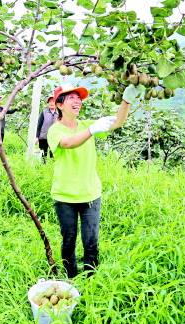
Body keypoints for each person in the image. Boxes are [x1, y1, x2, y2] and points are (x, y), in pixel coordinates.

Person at [47, 83, 140, 278]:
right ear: (60, 105)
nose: (77, 101)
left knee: (91, 241)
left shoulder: (86, 125)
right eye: (71, 97)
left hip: (90, 193)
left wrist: (126, 100)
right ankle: (70, 278)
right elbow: (68, 143)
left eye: (79, 98)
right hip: (65, 195)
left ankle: (91, 280)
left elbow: (117, 123)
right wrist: (92, 130)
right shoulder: (55, 130)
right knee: (69, 240)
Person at [36, 95, 58, 160]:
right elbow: (39, 125)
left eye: (53, 101)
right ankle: (43, 168)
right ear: (48, 103)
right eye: (50, 102)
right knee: (43, 155)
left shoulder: (59, 113)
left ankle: (51, 168)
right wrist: (37, 137)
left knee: (53, 155)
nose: (52, 103)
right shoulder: (44, 112)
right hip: (43, 137)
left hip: (54, 137)